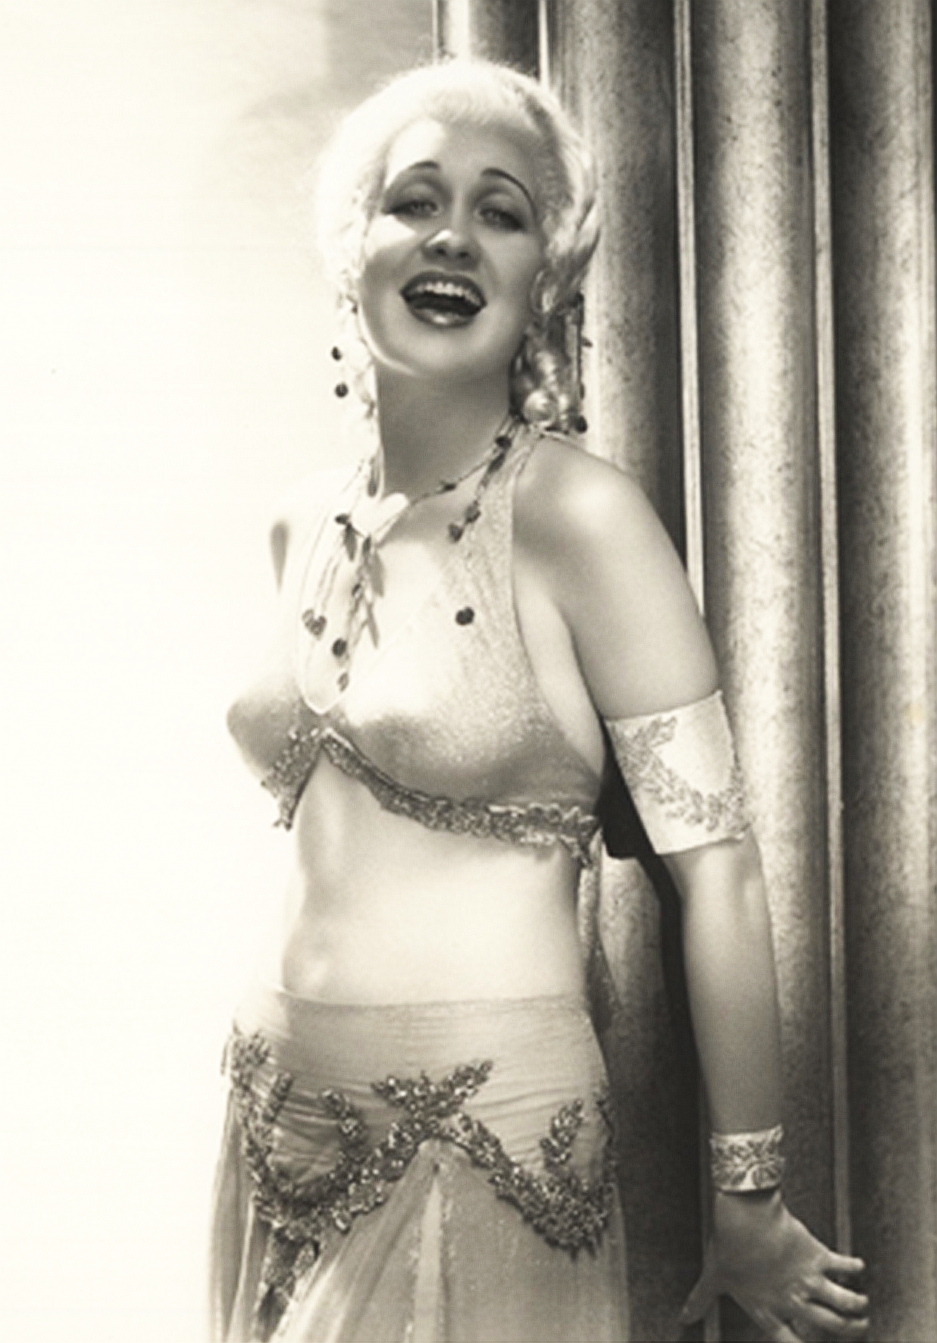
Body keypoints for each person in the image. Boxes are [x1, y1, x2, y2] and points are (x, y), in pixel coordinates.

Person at [210, 59, 870, 1343]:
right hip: (269, 1107)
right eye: (415, 200)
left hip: (484, 1136)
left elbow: (720, 869)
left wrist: (748, 1197)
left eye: (499, 211)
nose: (452, 235)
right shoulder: (301, 522)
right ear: (352, 249)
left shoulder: (582, 518)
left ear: (545, 278)